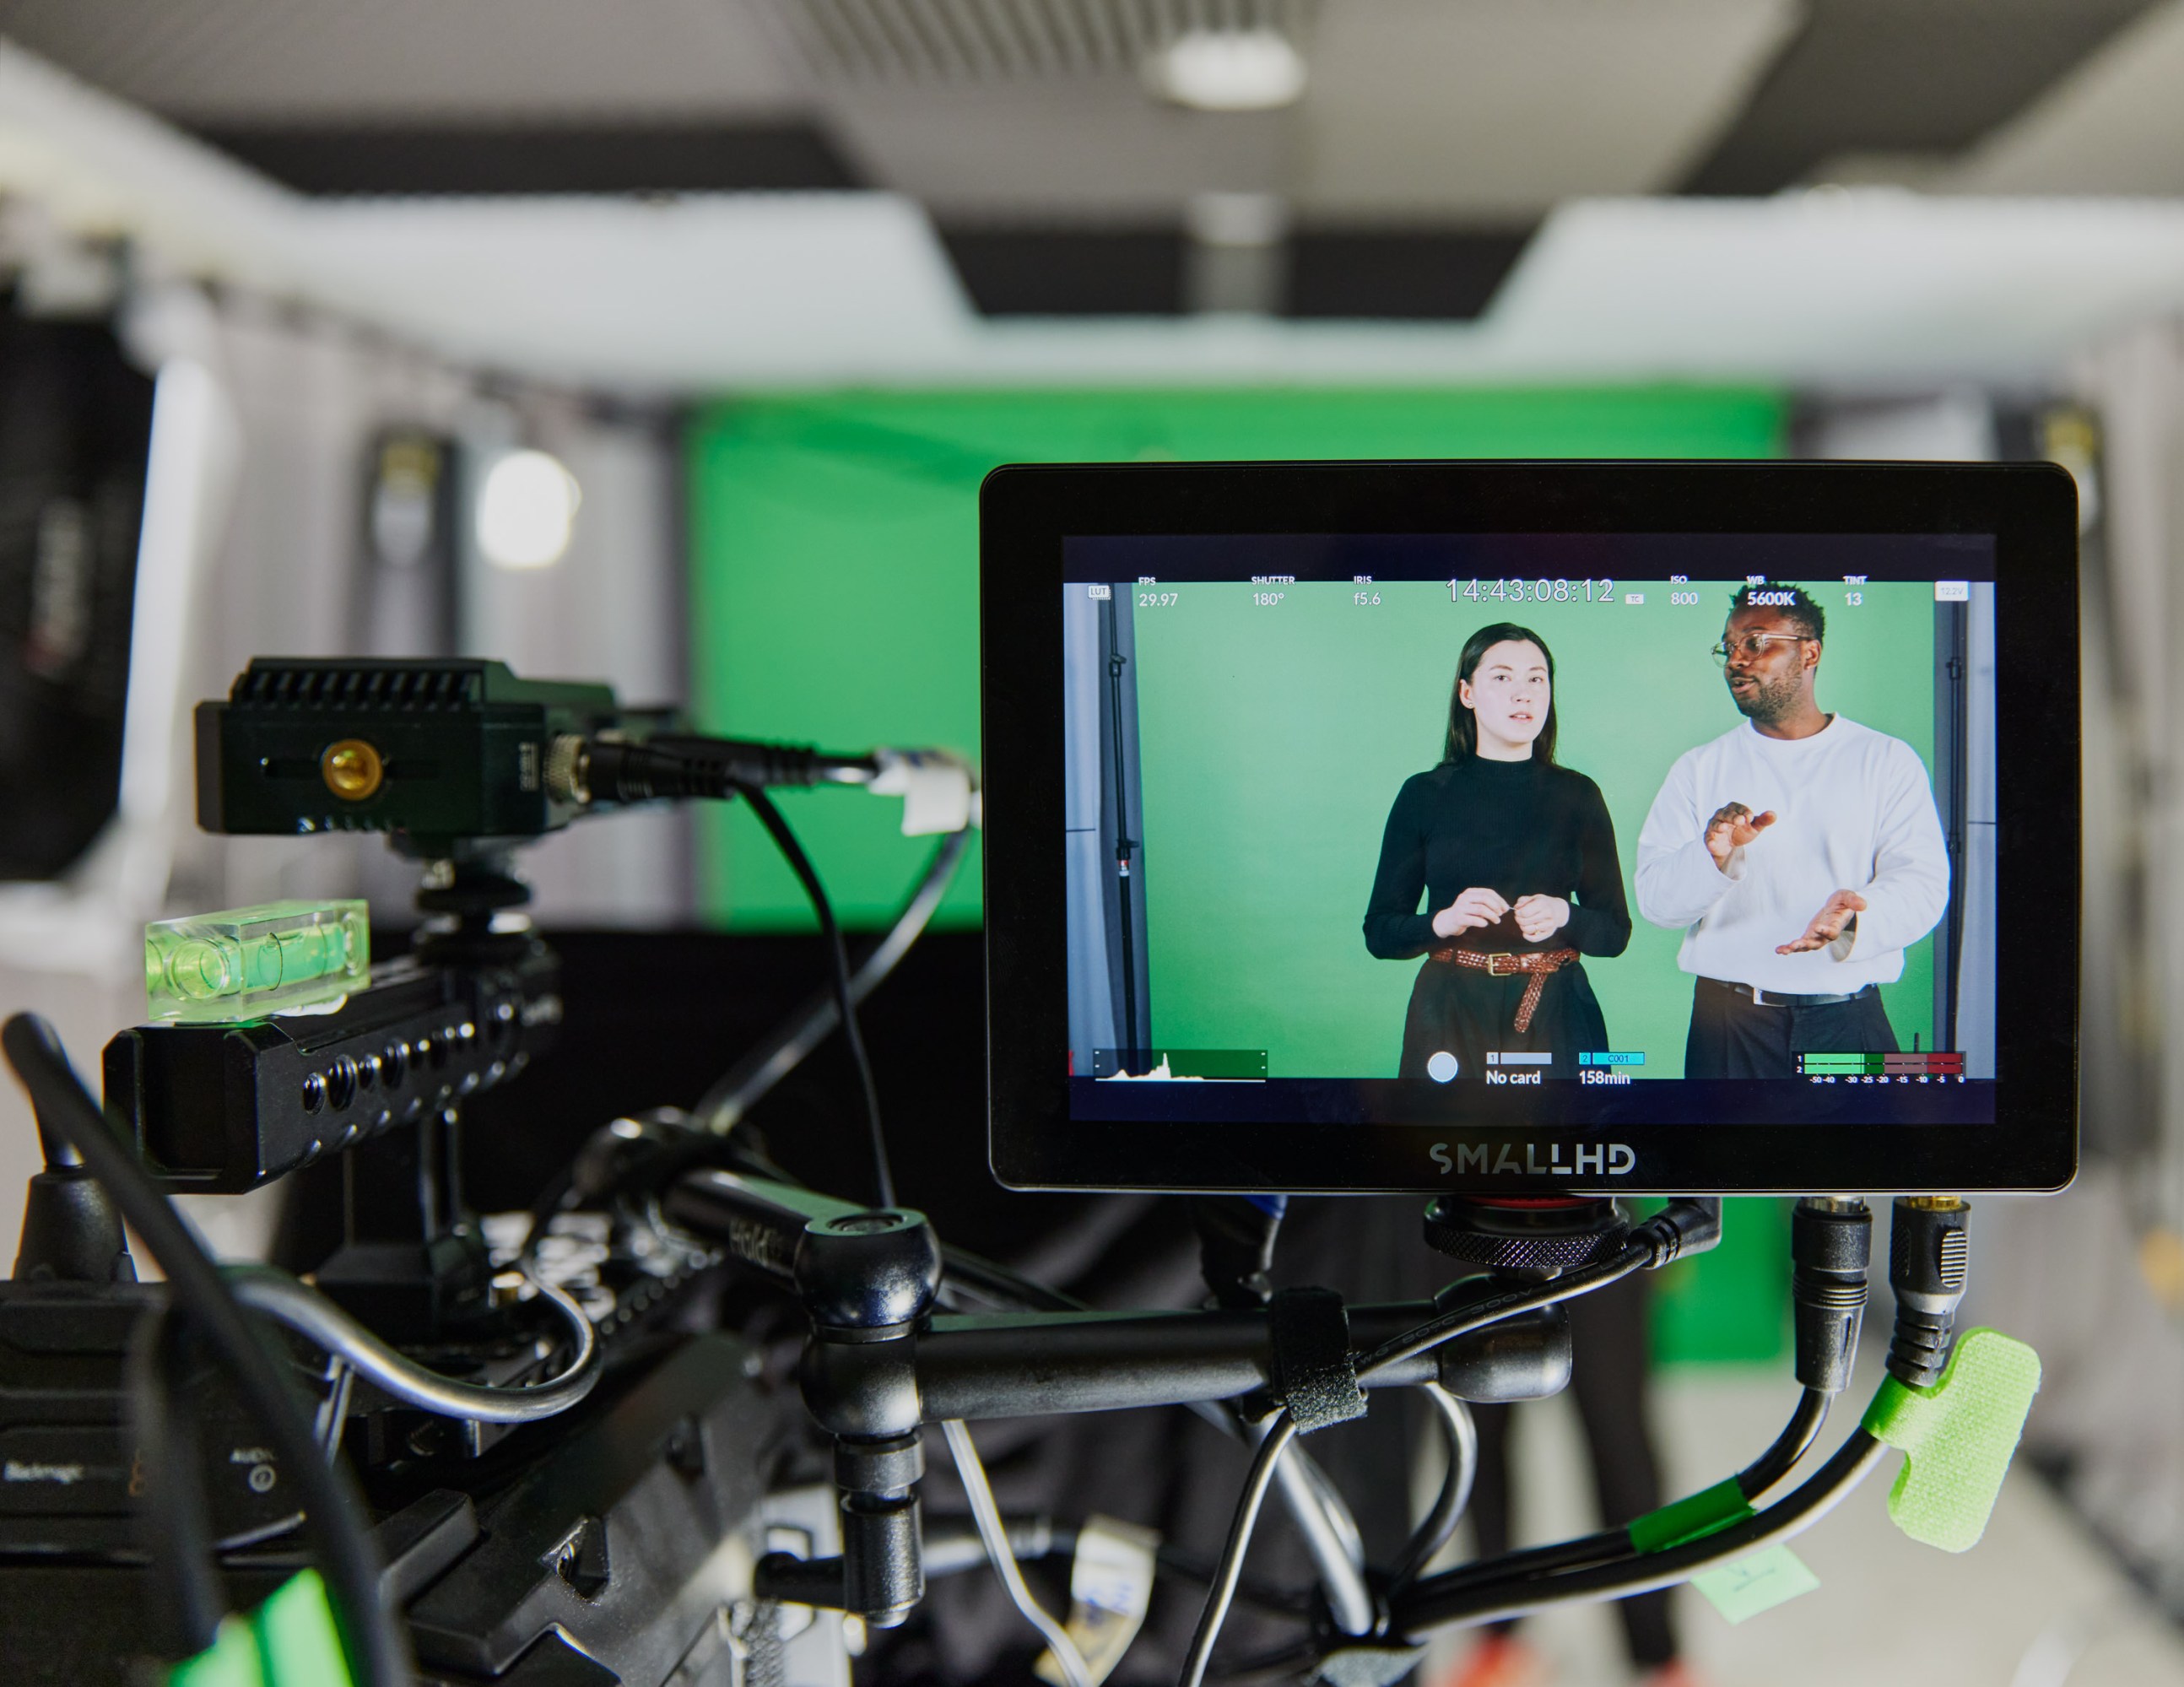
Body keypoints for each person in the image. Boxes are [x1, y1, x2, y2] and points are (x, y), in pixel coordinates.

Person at [1634, 581, 1949, 1079]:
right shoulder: (1698, 768)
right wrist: (1710, 857)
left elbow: (1923, 883)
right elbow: (1656, 903)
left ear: (1810, 652)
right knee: (1718, 1160)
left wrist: (1853, 921)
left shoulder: (1884, 760)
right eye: (1730, 646)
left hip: (1848, 1022)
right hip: (1727, 1028)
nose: (1737, 660)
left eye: (1757, 642)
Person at [1363, 623, 1630, 1080]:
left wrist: (1564, 915)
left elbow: (1615, 934)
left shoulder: (1579, 795)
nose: (1522, 694)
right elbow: (1380, 933)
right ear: (1467, 693)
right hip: (1448, 1013)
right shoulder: (1424, 794)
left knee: (1564, 1150)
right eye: (1502, 678)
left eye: (1536, 679)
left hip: (1558, 1014)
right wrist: (1443, 921)